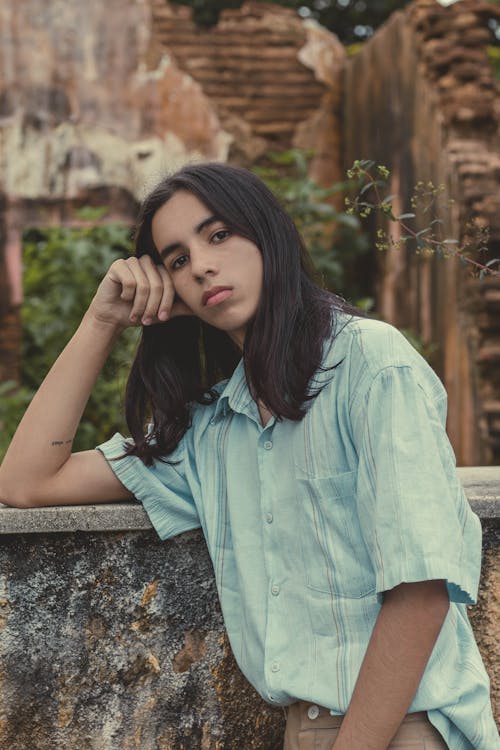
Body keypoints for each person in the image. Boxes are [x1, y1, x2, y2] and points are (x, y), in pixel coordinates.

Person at [0, 163, 498, 750]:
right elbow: (27, 481)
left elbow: (421, 591)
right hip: (304, 730)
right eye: (177, 259)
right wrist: (103, 318)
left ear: (268, 236)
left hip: (407, 727)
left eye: (218, 236)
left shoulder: (371, 363)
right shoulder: (212, 431)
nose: (202, 265)